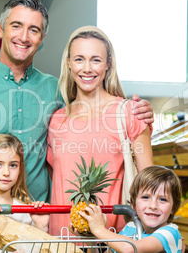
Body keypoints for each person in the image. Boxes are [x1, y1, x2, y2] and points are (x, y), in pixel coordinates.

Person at [0, 0, 154, 226]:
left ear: (42, 38)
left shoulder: (56, 90)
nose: (24, 37)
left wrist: (138, 113)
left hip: (39, 220)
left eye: (34, 30)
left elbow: (94, 114)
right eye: (16, 26)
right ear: (1, 29)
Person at [46, 26, 153, 235]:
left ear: (108, 64)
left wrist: (162, 231)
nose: (87, 68)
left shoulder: (129, 113)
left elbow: (150, 182)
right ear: (68, 63)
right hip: (62, 239)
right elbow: (56, 179)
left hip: (115, 238)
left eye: (95, 60)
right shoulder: (56, 120)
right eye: (79, 59)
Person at [77, 165, 183, 253]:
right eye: (145, 197)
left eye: (163, 199)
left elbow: (130, 249)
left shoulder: (170, 233)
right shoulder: (130, 228)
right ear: (133, 203)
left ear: (173, 207)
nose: (153, 206)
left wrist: (98, 229)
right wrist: (90, 239)